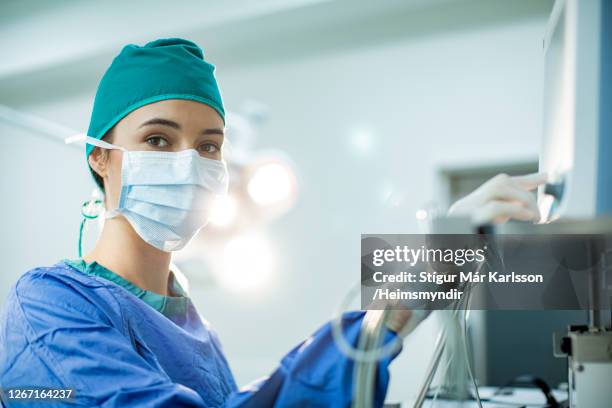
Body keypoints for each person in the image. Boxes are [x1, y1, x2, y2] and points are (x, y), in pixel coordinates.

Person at [0, 38, 546, 407]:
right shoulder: (48, 306)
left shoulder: (192, 324)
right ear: (100, 156)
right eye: (158, 140)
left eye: (209, 146)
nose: (190, 163)